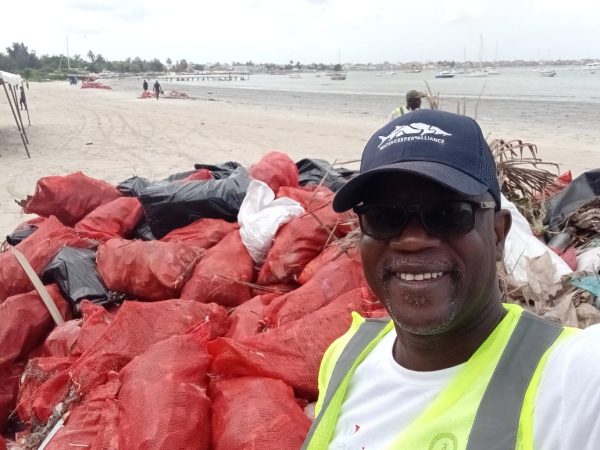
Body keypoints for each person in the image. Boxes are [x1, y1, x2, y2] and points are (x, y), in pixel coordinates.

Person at [302, 110, 600, 450]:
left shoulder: (570, 377)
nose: (411, 240)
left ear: (499, 234)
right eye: (384, 217)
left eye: (447, 214)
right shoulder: (344, 355)